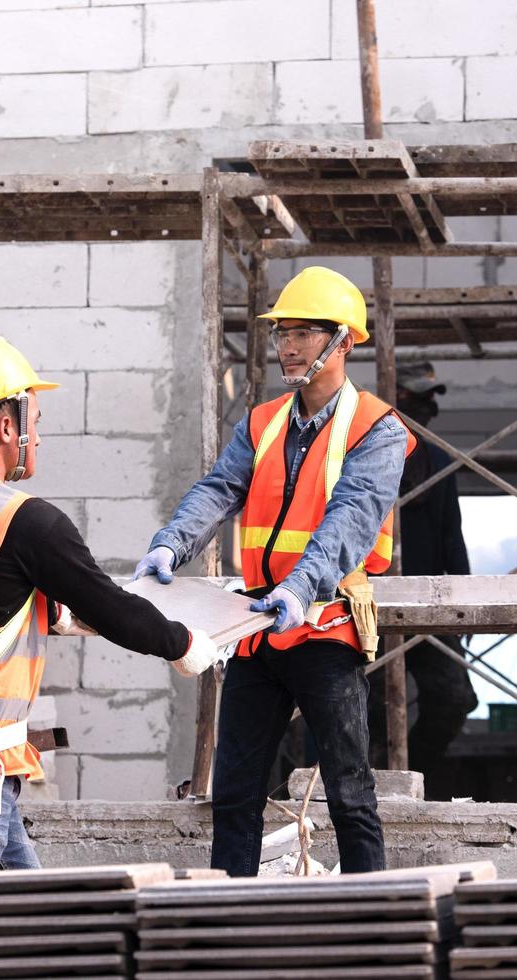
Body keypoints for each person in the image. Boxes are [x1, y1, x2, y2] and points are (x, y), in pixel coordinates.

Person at [0, 334, 217, 872]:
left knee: (33, 915)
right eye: (34, 422)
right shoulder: (28, 522)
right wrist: (182, 643)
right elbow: (109, 605)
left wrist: (43, 610)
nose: (38, 436)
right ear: (7, 427)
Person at [133, 266, 414, 877]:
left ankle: (378, 922)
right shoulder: (262, 423)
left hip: (323, 627)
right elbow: (220, 487)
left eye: (304, 333)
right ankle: (230, 920)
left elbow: (351, 517)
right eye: (281, 333)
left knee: (349, 791)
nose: (287, 346)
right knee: (234, 792)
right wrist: (170, 545)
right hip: (257, 630)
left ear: (343, 342)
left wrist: (301, 584)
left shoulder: (377, 429)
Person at [375, 361, 478, 802]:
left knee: (455, 697)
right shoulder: (358, 451)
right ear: (393, 395)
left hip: (428, 601)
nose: (429, 405)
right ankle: (364, 782)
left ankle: (408, 773)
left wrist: (463, 601)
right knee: (365, 704)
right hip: (368, 599)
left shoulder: (438, 460)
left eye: (431, 397)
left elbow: (451, 535)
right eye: (419, 396)